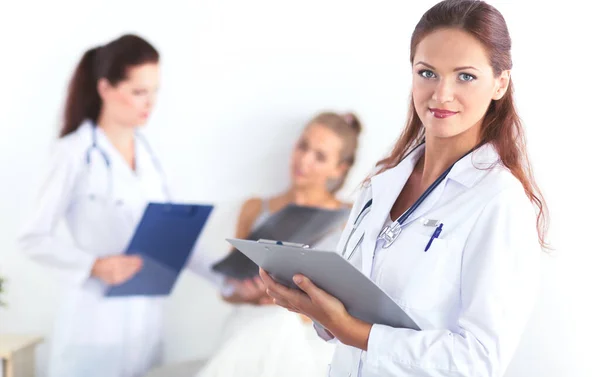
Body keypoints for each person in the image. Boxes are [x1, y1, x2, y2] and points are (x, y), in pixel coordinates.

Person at [260, 1, 549, 376]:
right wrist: (313, 305)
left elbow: (479, 360)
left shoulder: (500, 202)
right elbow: (348, 309)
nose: (441, 94)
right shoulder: (381, 184)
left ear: (500, 83)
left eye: (465, 76)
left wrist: (359, 334)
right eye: (427, 72)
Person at [17, 34, 227, 377]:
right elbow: (32, 237)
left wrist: (231, 282)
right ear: (105, 89)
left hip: (146, 325)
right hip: (93, 325)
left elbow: (176, 240)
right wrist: (94, 265)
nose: (150, 103)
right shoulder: (72, 154)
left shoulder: (151, 157)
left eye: (155, 91)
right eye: (139, 92)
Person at [195, 111, 363, 377]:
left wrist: (288, 304)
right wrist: (246, 293)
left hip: (309, 336)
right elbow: (228, 289)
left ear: (339, 168)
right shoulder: (255, 207)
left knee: (280, 322)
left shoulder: (352, 219)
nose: (304, 160)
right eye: (303, 146)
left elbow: (352, 304)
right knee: (269, 326)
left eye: (320, 156)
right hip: (250, 324)